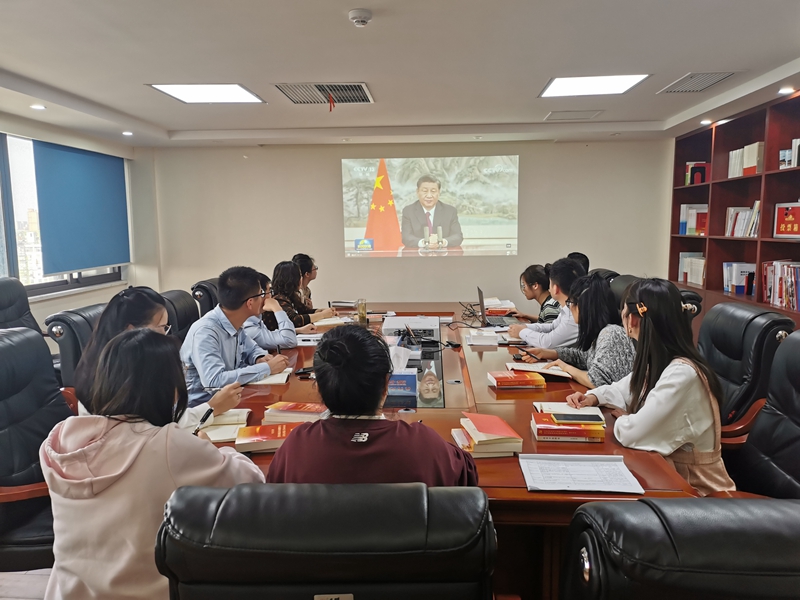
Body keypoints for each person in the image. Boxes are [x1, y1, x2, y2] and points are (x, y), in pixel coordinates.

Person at [40, 329, 265, 600]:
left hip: (67, 592)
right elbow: (250, 484)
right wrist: (217, 449)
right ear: (169, 386)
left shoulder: (60, 439)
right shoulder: (167, 444)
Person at [566, 278, 735, 496]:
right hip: (665, 478)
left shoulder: (683, 375)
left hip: (696, 495)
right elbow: (622, 390)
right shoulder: (662, 362)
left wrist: (622, 417)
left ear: (633, 319)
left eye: (623, 310)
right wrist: (593, 397)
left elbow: (633, 433)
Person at [267, 325, 477, 486]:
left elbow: (274, 502)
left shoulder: (296, 447)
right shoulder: (423, 445)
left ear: (320, 387)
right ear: (386, 384)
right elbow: (467, 475)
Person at [74, 286, 241, 429]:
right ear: (132, 330)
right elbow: (157, 428)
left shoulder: (119, 362)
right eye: (162, 327)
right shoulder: (114, 379)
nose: (166, 334)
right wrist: (211, 408)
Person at [181, 266, 290, 407]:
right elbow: (214, 381)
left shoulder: (234, 322)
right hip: (203, 409)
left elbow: (252, 348)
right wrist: (267, 368)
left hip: (231, 400)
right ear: (250, 303)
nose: (264, 298)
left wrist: (259, 357)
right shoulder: (206, 332)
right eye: (261, 294)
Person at [521, 274, 635, 388]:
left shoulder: (611, 333)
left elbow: (597, 381)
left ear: (583, 306)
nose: (570, 308)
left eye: (570, 303)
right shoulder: (601, 333)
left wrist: (566, 368)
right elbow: (584, 357)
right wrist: (549, 353)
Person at [507, 257, 585, 348]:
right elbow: (552, 326)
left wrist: (521, 332)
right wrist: (525, 327)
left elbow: (546, 343)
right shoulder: (569, 307)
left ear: (555, 289)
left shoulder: (572, 315)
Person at [401, 175, 463, 249]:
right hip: (418, 255)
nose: (429, 196)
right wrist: (424, 242)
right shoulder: (408, 211)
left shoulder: (450, 211)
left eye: (433, 191)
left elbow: (458, 236)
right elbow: (406, 237)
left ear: (438, 193)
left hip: (443, 255)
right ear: (417, 192)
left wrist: (441, 242)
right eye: (425, 191)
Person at [242, 272, 301, 349]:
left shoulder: (254, 319)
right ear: (261, 294)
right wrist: (277, 308)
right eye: (269, 292)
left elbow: (270, 334)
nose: (271, 296)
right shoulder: (248, 327)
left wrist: (298, 330)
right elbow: (289, 340)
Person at [272, 261, 336, 327]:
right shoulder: (279, 298)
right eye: (299, 276)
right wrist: (322, 315)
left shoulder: (291, 295)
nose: (301, 278)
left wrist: (322, 311)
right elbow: (296, 320)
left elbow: (304, 311)